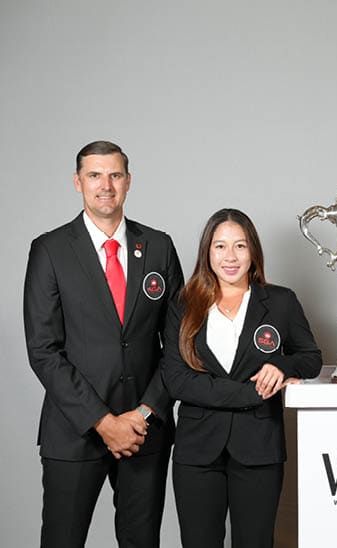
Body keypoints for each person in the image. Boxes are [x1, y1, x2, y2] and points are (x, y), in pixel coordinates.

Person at [23, 141, 184, 547]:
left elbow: (181, 343)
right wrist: (104, 422)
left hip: (142, 432)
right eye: (95, 175)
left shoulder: (160, 247)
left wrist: (145, 414)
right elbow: (43, 350)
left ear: (128, 182)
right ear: (78, 182)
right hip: (75, 430)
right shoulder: (51, 250)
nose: (105, 185)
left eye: (114, 175)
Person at [160, 208, 321, 548]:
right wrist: (253, 394)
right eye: (220, 246)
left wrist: (282, 367)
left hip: (259, 446)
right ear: (207, 252)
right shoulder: (183, 304)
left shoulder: (280, 302)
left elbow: (311, 358)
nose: (230, 257)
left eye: (240, 246)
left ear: (253, 252)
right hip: (197, 451)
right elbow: (177, 380)